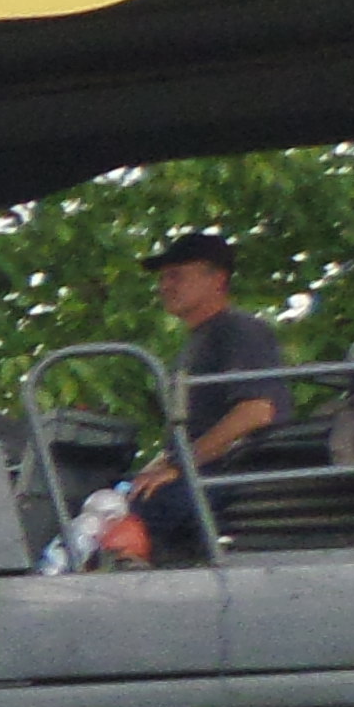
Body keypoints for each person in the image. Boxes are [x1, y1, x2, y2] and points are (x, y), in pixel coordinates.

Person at [121, 229, 291, 560]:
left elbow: (257, 410)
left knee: (147, 508)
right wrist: (158, 465)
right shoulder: (195, 342)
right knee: (116, 493)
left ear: (217, 280)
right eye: (163, 278)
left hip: (243, 470)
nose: (165, 286)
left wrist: (182, 465)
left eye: (176, 276)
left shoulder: (239, 330)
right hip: (209, 470)